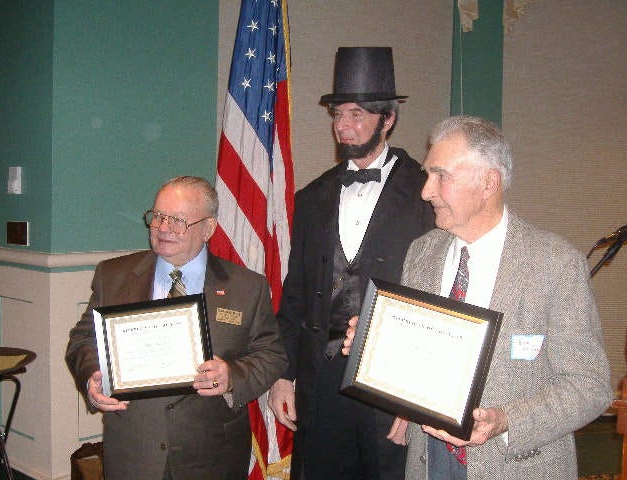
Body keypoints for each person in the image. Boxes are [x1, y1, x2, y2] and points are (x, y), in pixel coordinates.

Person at [343, 116, 612, 480]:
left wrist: (505, 421)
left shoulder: (555, 264)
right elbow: (420, 356)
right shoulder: (422, 252)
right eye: (428, 174)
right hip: (429, 462)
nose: (426, 191)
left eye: (442, 176)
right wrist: (372, 342)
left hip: (516, 466)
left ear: (489, 183)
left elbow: (590, 386)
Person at [268, 47, 435, 480]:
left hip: (392, 385)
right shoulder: (312, 198)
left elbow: (441, 299)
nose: (343, 125)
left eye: (357, 114)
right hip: (321, 381)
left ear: (389, 118)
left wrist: (418, 399)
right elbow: (297, 293)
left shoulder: (428, 195)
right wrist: (283, 376)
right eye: (338, 114)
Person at [66, 176, 288, 480]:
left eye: (178, 220)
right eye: (158, 216)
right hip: (134, 449)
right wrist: (92, 377)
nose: (163, 228)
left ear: (208, 229)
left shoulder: (246, 287)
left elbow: (271, 354)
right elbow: (82, 340)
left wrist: (232, 376)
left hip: (212, 454)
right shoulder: (113, 275)